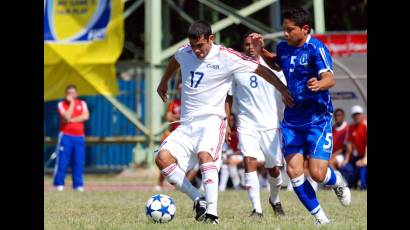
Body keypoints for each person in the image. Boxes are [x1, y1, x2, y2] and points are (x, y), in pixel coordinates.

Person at [155, 20, 293, 224]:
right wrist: (164, 82)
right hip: (187, 124)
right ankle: (198, 199)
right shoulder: (185, 51)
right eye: (193, 46)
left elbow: (259, 69)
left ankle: (212, 215)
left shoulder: (226, 56)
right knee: (162, 158)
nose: (197, 51)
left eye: (200, 46)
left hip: (212, 121)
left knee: (205, 156)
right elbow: (175, 60)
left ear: (211, 39)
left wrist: (282, 89)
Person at [250, 8, 351, 226]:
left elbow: (330, 78)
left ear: (304, 29)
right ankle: (322, 220)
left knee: (317, 174)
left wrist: (319, 84)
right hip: (292, 121)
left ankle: (337, 181)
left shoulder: (316, 48)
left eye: (289, 30)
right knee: (294, 172)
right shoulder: (283, 48)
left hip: (317, 119)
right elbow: (277, 63)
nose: (285, 34)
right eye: (283, 30)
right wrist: (262, 52)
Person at [225, 32, 286, 218]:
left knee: (273, 169)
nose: (250, 47)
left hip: (269, 124)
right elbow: (228, 97)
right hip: (246, 123)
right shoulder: (235, 68)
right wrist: (227, 121)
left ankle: (274, 200)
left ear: (261, 45)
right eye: (246, 44)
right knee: (249, 161)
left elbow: (286, 93)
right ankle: (256, 210)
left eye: (254, 44)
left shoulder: (275, 68)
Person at [53, 85, 89, 192]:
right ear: (66, 94)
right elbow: (66, 117)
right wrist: (72, 103)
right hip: (65, 136)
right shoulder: (61, 104)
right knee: (63, 161)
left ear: (77, 94)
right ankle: (59, 183)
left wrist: (72, 120)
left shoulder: (82, 103)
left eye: (73, 93)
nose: (71, 95)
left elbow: (86, 116)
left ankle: (78, 185)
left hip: (79, 137)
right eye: (68, 93)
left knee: (79, 161)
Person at [155, 81, 183, 191]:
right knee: (163, 158)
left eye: (182, 88)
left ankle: (179, 185)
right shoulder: (173, 102)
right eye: (179, 88)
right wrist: (179, 117)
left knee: (180, 162)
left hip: (185, 135)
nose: (181, 90)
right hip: (173, 134)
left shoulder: (190, 101)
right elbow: (168, 117)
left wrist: (175, 117)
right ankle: (160, 184)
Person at [340, 105, 367, 189]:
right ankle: (351, 185)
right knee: (344, 167)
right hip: (358, 156)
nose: (357, 116)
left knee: (362, 167)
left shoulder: (366, 125)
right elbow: (349, 146)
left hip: (365, 156)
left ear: (362, 115)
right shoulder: (351, 128)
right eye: (355, 114)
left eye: (358, 114)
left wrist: (365, 159)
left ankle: (363, 186)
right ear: (352, 116)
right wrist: (346, 160)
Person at [219, 114, 242, 192]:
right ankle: (222, 188)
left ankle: (237, 186)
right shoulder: (223, 131)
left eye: (232, 120)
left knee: (230, 162)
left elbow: (241, 150)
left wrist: (231, 154)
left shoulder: (238, 132)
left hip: (239, 155)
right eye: (229, 120)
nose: (231, 122)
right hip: (227, 155)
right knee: (224, 166)